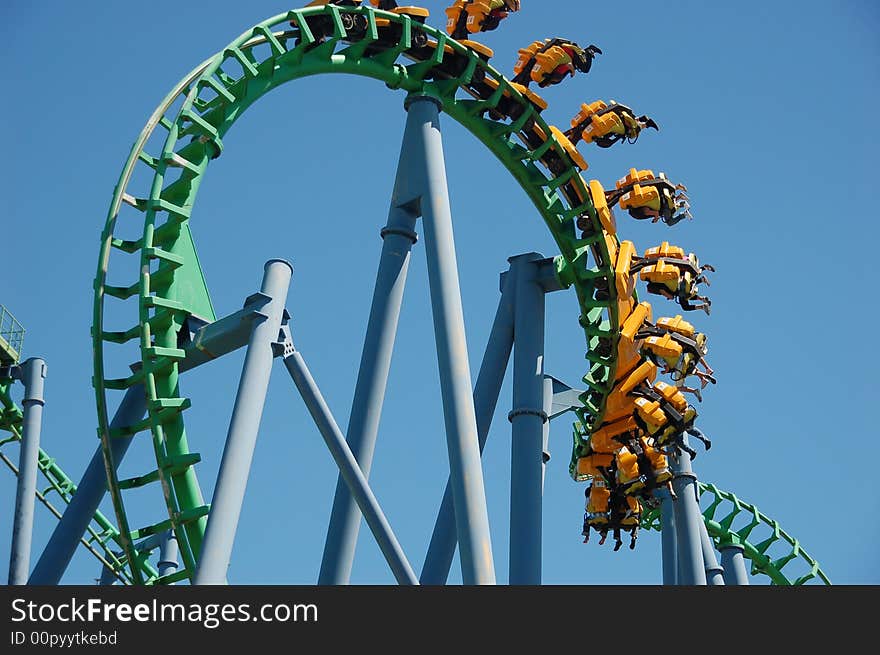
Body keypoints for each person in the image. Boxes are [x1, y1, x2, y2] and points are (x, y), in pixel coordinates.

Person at [512, 38, 602, 88]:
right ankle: (589, 51)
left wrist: (570, 68)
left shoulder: (544, 75)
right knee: (547, 79)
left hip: (569, 54)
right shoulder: (541, 75)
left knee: (585, 68)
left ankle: (589, 51)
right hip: (563, 53)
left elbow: (567, 66)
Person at [565, 100, 659, 148]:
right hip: (616, 119)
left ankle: (646, 123)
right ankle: (644, 122)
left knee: (633, 130)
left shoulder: (626, 128)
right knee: (584, 133)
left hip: (618, 121)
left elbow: (608, 141)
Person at [445, 1, 520, 39]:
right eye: (510, 9)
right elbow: (486, 9)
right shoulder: (499, 3)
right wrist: (498, 15)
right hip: (469, 20)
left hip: (462, 21)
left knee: (458, 33)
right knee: (494, 24)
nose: (508, 10)